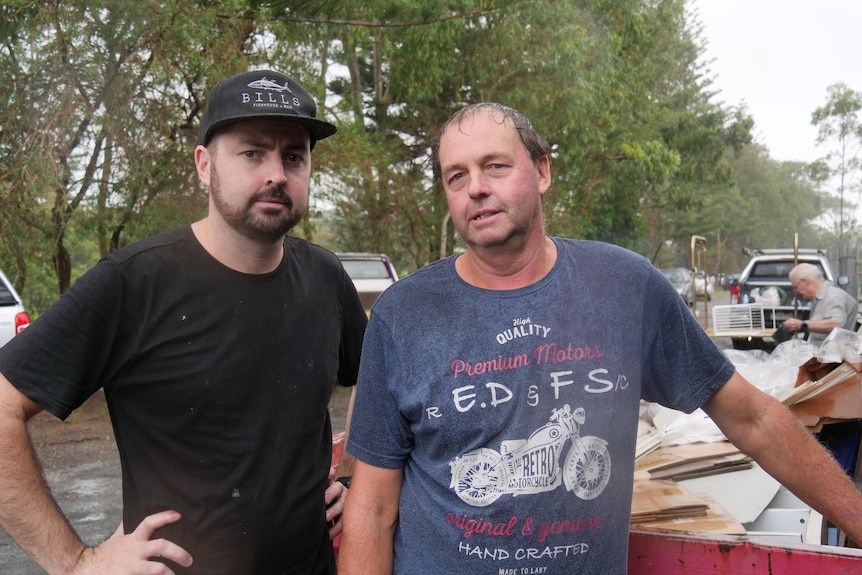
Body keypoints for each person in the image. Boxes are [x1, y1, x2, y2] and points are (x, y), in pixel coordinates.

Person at [338, 102, 862, 574]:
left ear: (542, 171)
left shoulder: (624, 287)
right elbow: (374, 504)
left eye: (495, 165)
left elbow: (753, 418)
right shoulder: (404, 313)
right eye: (457, 176)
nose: (475, 186)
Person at [0, 69, 366, 574]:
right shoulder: (133, 283)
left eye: (294, 156)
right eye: (252, 153)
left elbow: (373, 377)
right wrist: (75, 562)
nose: (276, 173)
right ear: (203, 165)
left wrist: (351, 477)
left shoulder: (325, 276)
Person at [782, 262, 858, 345]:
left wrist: (803, 325)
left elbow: (837, 323)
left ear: (804, 281)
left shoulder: (832, 296)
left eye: (795, 287)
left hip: (834, 355)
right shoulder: (819, 299)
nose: (796, 292)